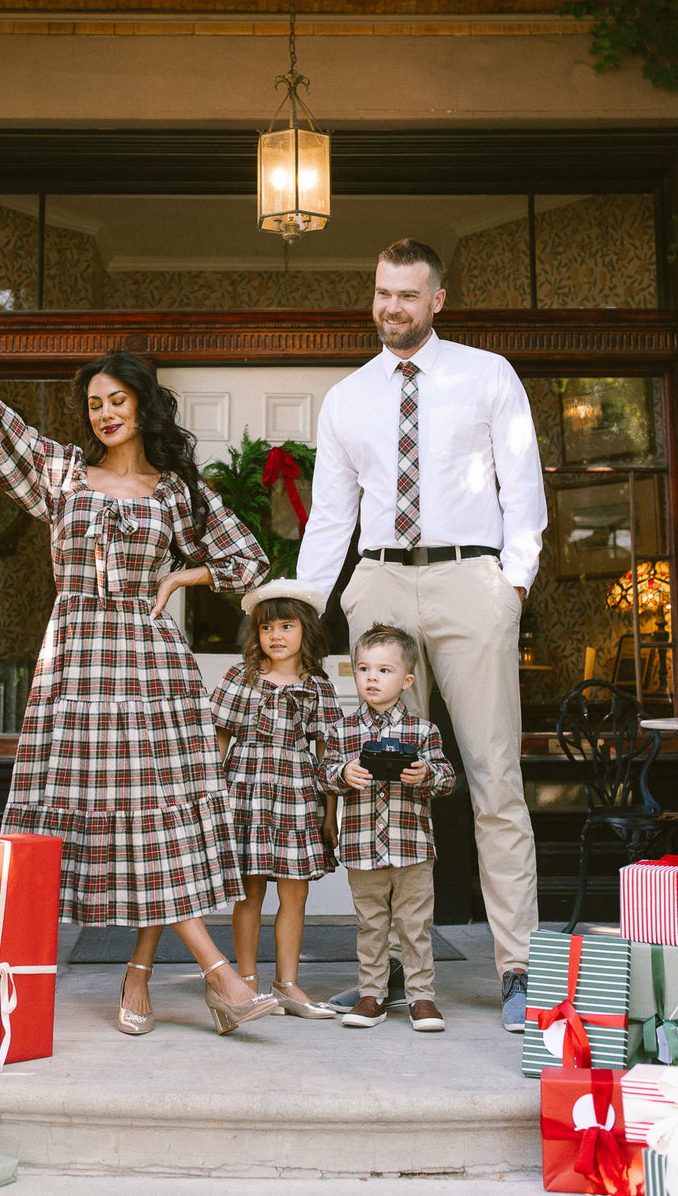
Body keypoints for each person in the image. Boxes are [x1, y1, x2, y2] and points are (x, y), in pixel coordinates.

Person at [0, 302, 280, 1037]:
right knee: (134, 822)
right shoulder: (63, 474)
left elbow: (247, 558)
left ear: (142, 404)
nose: (104, 413)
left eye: (116, 400)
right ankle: (202, 976)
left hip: (154, 673)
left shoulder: (176, 491)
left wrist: (178, 580)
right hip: (77, 666)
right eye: (94, 403)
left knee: (157, 822)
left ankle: (164, 978)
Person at [297, 237, 547, 1032]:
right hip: (380, 583)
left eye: (407, 294)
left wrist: (511, 586)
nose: (391, 308)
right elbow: (332, 514)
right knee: (386, 775)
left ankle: (517, 967)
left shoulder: (487, 374)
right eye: (381, 292)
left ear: (438, 299)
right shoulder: (347, 398)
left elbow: (523, 484)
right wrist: (307, 606)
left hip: (470, 582)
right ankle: (398, 971)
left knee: (491, 774)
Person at [211, 577, 342, 1019]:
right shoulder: (241, 677)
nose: (276, 637)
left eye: (286, 626)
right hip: (245, 792)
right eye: (267, 629)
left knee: (295, 894)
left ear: (305, 629)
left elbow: (327, 759)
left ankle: (286, 983)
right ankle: (246, 982)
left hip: (297, 795)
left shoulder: (319, 688)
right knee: (249, 894)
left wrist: (330, 814)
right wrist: (212, 801)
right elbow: (219, 742)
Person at [320, 624, 455, 1032]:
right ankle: (372, 994)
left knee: (415, 925)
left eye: (384, 670)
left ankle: (421, 997)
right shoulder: (342, 731)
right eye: (363, 669)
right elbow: (323, 776)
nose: (372, 678)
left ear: (406, 680)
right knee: (370, 924)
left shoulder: (422, 731)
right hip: (362, 847)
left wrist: (424, 774)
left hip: (412, 847)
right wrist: (345, 773)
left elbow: (448, 779)